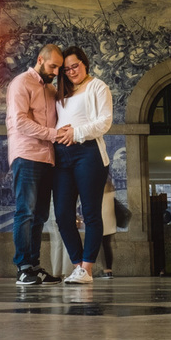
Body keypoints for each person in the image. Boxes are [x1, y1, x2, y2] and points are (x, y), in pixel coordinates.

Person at [54, 46, 112, 285]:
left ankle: (87, 268)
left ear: (84, 63)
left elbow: (105, 122)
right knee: (62, 214)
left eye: (74, 66)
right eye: (66, 69)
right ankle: (78, 266)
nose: (71, 72)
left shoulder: (98, 86)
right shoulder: (61, 92)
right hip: (61, 155)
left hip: (88, 153)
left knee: (90, 213)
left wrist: (76, 132)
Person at [6, 44, 64, 286]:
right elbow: (19, 121)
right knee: (26, 211)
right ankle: (22, 268)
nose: (56, 72)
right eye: (53, 66)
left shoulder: (51, 90)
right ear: (40, 59)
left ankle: (35, 266)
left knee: (40, 215)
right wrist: (53, 134)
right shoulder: (21, 83)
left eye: (59, 68)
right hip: (27, 155)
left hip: (48, 158)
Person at [96, 178, 116, 279]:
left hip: (100, 223)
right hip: (110, 224)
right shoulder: (111, 194)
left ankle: (105, 270)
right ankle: (108, 270)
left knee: (101, 247)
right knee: (106, 246)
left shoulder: (99, 195)